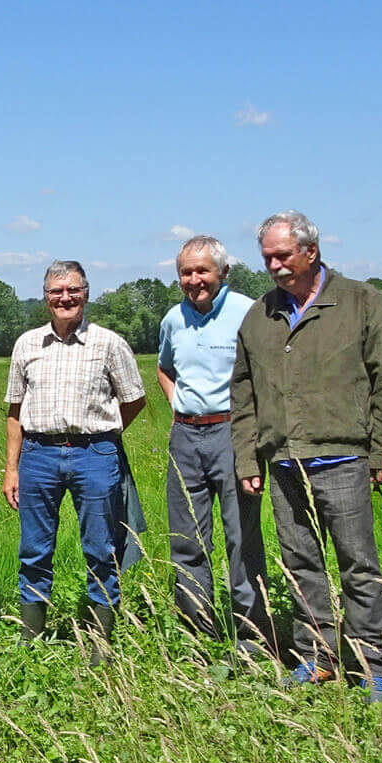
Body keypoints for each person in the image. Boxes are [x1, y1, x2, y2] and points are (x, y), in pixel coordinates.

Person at [231, 210, 382, 701]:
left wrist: (380, 455)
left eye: (283, 255)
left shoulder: (360, 301)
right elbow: (242, 394)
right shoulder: (260, 315)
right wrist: (248, 459)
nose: (275, 266)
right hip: (283, 460)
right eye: (267, 258)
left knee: (358, 564)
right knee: (300, 563)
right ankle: (317, 656)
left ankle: (375, 664)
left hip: (343, 457)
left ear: (311, 251)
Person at [2, 261, 146, 663]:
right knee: (34, 549)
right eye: (56, 291)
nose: (65, 298)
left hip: (94, 454)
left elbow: (134, 400)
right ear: (45, 296)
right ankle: (31, 640)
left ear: (86, 293)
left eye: (73, 290)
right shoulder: (27, 344)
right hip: (38, 455)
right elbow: (14, 411)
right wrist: (11, 468)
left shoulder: (109, 343)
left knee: (101, 548)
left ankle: (101, 644)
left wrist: (103, 431)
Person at [156, 236, 275, 659]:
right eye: (186, 272)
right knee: (187, 538)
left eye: (202, 271)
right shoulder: (174, 318)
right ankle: (197, 636)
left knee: (241, 538)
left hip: (232, 433)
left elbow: (266, 374)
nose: (194, 280)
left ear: (223, 272)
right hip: (186, 436)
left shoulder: (248, 312)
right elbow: (165, 368)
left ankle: (253, 638)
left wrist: (252, 433)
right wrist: (179, 406)